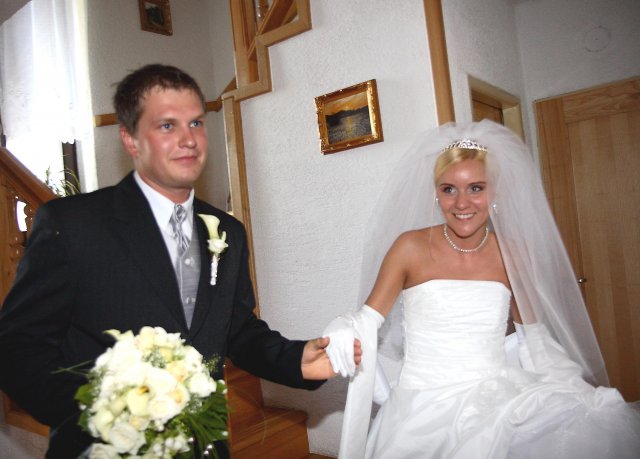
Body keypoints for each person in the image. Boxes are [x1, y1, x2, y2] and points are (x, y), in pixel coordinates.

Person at [0, 64, 350, 458]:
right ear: (131, 139)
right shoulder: (73, 225)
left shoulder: (228, 232)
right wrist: (104, 416)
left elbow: (236, 329)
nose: (189, 139)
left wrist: (295, 361)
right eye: (167, 125)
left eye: (196, 123)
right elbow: (17, 347)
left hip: (203, 446)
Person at [323, 120, 640, 458]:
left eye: (476, 188)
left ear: (495, 192)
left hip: (496, 403)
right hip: (421, 407)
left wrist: (572, 389)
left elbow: (533, 337)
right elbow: (367, 319)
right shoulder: (409, 247)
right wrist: (342, 326)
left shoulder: (512, 252)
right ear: (435, 193)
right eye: (449, 189)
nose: (462, 203)